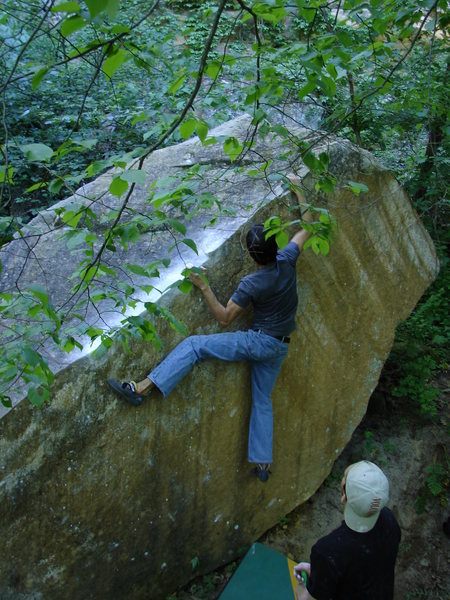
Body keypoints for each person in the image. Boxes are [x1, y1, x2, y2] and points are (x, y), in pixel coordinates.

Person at [108, 173, 313, 482]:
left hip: (259, 342)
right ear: (275, 245)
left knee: (194, 346)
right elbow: (309, 226)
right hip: (280, 345)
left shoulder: (252, 282)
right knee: (261, 400)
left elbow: (224, 318)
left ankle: (141, 388)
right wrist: (298, 189)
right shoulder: (287, 258)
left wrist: (203, 286)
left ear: (252, 256)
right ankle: (262, 464)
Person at [293, 461, 401, 599]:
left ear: (344, 497)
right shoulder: (389, 521)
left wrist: (303, 592)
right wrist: (320, 573)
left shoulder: (327, 550)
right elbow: (362, 566)